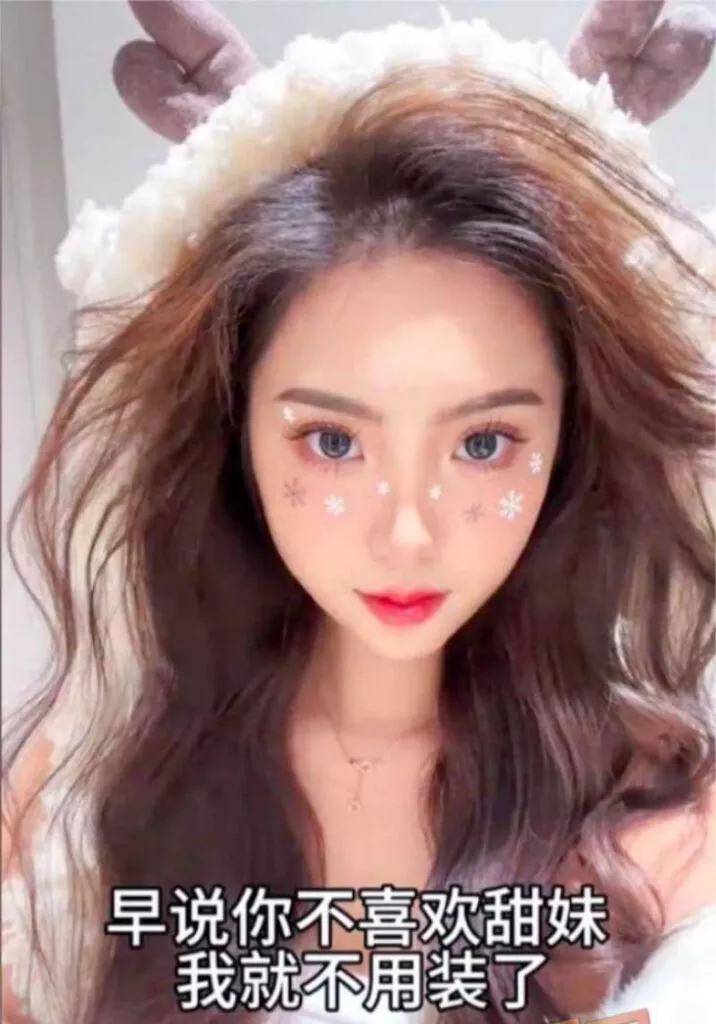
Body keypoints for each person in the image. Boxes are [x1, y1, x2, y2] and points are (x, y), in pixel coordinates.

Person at [2, 5, 716, 1024]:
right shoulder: (90, 791)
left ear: (568, 445)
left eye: (484, 443)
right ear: (234, 435)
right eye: (332, 442)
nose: (407, 532)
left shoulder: (656, 811)